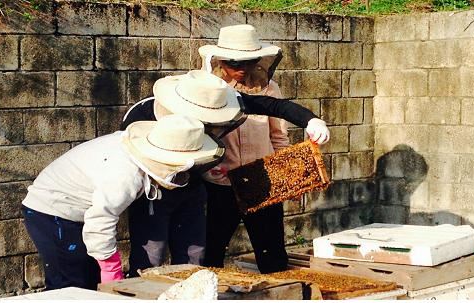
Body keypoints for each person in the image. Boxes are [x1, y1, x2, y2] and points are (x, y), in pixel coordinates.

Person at [121, 70, 330, 276]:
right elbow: (130, 154)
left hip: (198, 190)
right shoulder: (143, 113)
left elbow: (273, 106)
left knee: (195, 258)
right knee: (150, 257)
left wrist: (311, 120)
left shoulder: (222, 97)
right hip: (155, 191)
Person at [21, 114, 223, 290]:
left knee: (89, 282)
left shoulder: (134, 153)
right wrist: (112, 270)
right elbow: (100, 221)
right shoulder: (125, 175)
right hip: (52, 211)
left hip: (75, 210)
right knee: (71, 285)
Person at [198, 24, 331, 273]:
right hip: (220, 183)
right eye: (234, 63)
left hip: (264, 180)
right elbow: (194, 135)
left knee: (272, 253)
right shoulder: (204, 89)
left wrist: (287, 174)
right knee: (212, 251)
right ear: (220, 60)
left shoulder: (269, 87)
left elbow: (278, 135)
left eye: (247, 62)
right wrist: (207, 165)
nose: (241, 69)